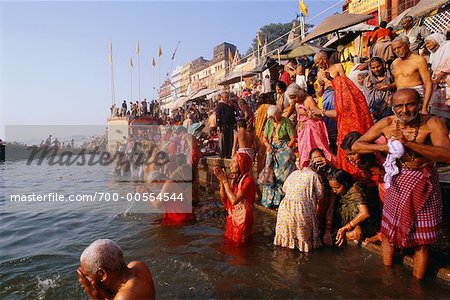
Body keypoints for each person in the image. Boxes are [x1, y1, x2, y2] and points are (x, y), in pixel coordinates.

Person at [352, 88, 450, 279]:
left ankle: (416, 288)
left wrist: (409, 144)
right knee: (388, 233)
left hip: (424, 184)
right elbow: (357, 145)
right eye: (399, 106)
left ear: (419, 104)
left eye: (410, 104)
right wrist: (384, 147)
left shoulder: (433, 123)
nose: (405, 110)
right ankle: (387, 277)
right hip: (397, 182)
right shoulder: (388, 123)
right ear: (393, 107)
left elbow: (447, 154)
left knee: (422, 241)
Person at [313, 51, 373, 177]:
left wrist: (330, 79)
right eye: (317, 63)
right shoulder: (319, 73)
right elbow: (319, 93)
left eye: (319, 62)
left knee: (342, 120)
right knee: (332, 131)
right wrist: (323, 85)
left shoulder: (338, 67)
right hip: (328, 99)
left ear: (325, 58)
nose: (319, 65)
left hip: (341, 98)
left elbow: (345, 84)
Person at [77, 239, 155, 299]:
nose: (86, 280)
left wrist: (96, 298)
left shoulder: (124, 297)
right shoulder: (138, 266)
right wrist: (107, 295)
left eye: (87, 276)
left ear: (103, 273)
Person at [273, 165, 324, 252]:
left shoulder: (293, 173)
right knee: (302, 238)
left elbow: (284, 189)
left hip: (285, 207)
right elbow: (320, 194)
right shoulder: (314, 176)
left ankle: (288, 257)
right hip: (301, 209)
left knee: (287, 236)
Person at [286, 84, 336, 168]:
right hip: (303, 131)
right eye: (292, 98)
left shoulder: (309, 100)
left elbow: (319, 116)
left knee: (316, 149)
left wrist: (306, 113)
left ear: (299, 93)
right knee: (303, 151)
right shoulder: (296, 103)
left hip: (313, 130)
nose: (294, 100)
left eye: (295, 97)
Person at [214, 152, 256, 244]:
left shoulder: (248, 181)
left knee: (239, 244)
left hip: (242, 219)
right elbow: (225, 197)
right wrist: (221, 181)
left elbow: (234, 200)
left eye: (234, 162)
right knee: (230, 241)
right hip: (233, 217)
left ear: (241, 164)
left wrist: (225, 182)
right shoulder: (236, 179)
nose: (230, 165)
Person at [329, 170, 378, 247]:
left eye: (337, 188)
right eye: (332, 188)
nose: (334, 191)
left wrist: (345, 228)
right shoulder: (336, 192)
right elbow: (330, 209)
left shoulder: (355, 190)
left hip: (365, 224)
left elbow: (365, 213)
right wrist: (327, 230)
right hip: (349, 223)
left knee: (356, 233)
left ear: (345, 184)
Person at [260, 105, 296, 208]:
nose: (273, 119)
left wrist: (285, 149)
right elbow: (265, 138)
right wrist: (268, 146)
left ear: (278, 114)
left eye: (274, 117)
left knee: (281, 175)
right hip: (271, 150)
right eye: (271, 117)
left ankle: (280, 201)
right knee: (270, 174)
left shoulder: (286, 122)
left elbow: (293, 138)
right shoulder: (269, 123)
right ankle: (269, 201)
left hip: (283, 152)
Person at [391, 36, 432, 114]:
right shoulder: (395, 63)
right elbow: (399, 82)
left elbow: (428, 83)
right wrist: (388, 86)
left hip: (415, 99)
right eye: (394, 49)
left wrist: (425, 107)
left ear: (407, 45)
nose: (397, 51)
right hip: (400, 99)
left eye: (399, 47)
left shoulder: (419, 60)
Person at [424, 33, 450, 125]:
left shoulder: (447, 46)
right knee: (441, 117)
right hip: (440, 86)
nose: (427, 45)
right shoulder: (434, 53)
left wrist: (440, 75)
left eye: (428, 43)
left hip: (447, 84)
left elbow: (448, 62)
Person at [364, 57, 396, 121]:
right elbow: (368, 99)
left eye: (378, 66)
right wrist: (372, 110)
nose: (376, 69)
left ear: (383, 65)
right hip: (374, 112)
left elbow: (399, 85)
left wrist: (389, 86)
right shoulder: (368, 81)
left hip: (390, 108)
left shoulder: (391, 76)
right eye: (373, 68)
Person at [216, 91, 236, 159]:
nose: (227, 99)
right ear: (222, 97)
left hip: (230, 125)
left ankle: (228, 155)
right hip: (222, 126)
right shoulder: (219, 106)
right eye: (226, 97)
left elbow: (232, 115)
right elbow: (218, 116)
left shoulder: (230, 106)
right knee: (222, 142)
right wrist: (218, 126)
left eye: (228, 97)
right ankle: (222, 155)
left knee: (229, 141)